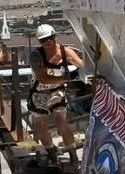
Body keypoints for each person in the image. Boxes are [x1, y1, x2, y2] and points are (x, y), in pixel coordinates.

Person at [27, 23, 86, 154]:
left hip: (56, 91)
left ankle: (72, 152)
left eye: (50, 38)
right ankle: (51, 151)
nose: (47, 42)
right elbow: (43, 78)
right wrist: (66, 78)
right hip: (39, 92)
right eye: (43, 40)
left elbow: (81, 64)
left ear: (55, 37)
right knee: (40, 125)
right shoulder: (36, 56)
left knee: (60, 121)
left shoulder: (66, 52)